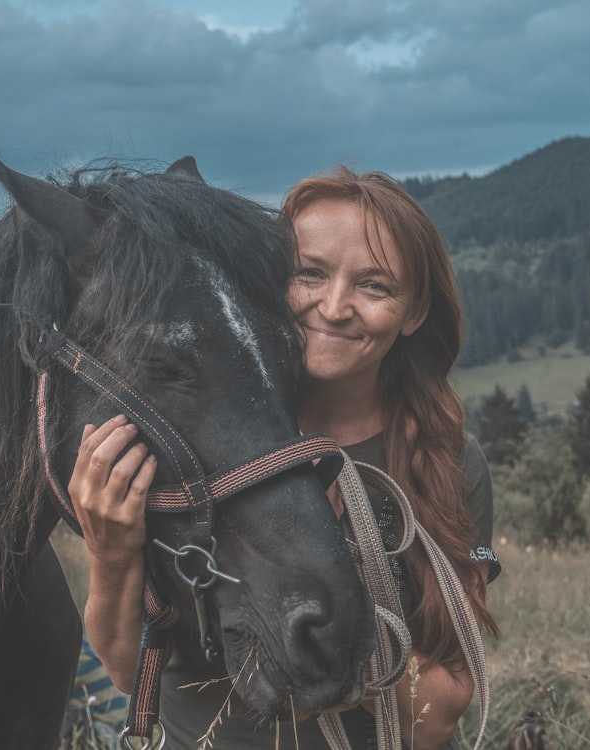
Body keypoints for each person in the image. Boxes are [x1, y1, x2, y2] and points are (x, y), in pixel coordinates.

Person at [68, 167, 501, 749]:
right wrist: (112, 549)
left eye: (375, 286)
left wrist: (321, 583)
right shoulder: (190, 438)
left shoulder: (448, 462)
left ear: (415, 311)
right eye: (310, 274)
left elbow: (441, 711)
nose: (335, 306)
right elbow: (127, 670)